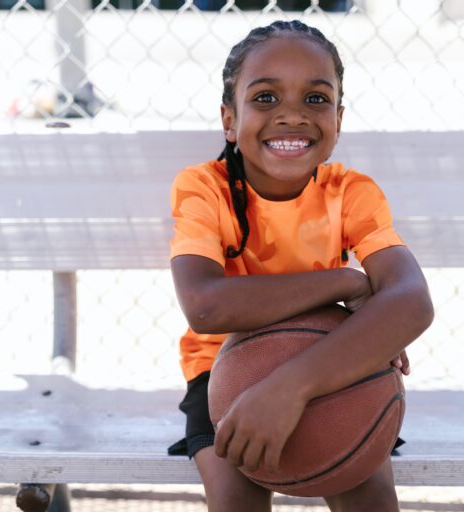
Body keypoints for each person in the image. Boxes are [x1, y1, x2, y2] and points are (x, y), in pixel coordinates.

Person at [166, 20, 434, 512]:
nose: (292, 115)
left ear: (339, 118)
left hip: (330, 361)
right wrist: (348, 281)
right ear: (229, 119)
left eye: (315, 99)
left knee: (366, 491)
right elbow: (205, 307)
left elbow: (411, 301)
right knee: (236, 499)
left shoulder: (351, 193)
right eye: (266, 98)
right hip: (223, 370)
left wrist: (291, 387)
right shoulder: (205, 189)